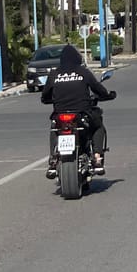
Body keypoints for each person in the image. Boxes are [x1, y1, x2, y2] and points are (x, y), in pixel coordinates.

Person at [41, 44, 116, 179]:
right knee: (98, 126)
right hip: (82, 114)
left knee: (54, 129)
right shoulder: (83, 72)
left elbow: (45, 95)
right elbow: (97, 88)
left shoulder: (54, 74)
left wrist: (48, 99)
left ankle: (53, 159)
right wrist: (107, 95)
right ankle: (97, 157)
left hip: (60, 115)